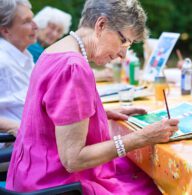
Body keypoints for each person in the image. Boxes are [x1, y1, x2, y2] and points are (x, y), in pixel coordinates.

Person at [5, 0, 179, 194]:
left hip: (30, 174)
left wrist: (97, 113)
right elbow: (73, 160)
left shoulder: (54, 51)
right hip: (57, 185)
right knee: (161, 186)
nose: (123, 54)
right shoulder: (73, 67)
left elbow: (50, 115)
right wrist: (141, 138)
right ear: (101, 25)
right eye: (123, 41)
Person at [0, 0, 38, 136]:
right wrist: (15, 127)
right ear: (5, 30)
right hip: (15, 148)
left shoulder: (24, 56)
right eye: (27, 21)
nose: (35, 26)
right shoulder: (2, 61)